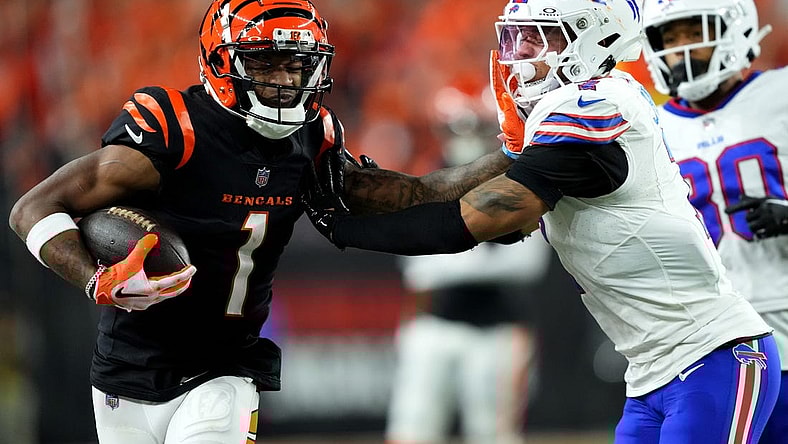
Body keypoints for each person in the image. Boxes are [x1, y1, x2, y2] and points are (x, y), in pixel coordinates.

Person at [7, 1, 516, 442]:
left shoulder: (313, 138)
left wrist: (518, 156)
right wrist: (95, 279)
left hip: (223, 367)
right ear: (219, 61)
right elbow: (32, 209)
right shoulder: (175, 127)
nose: (284, 81)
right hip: (125, 366)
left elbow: (415, 192)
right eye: (265, 63)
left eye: (296, 65)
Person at [303, 0, 782, 442]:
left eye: (540, 37)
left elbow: (469, 219)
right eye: (517, 37)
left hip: (712, 353)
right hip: (651, 372)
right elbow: (438, 188)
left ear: (594, 38)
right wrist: (340, 182)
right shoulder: (563, 120)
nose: (520, 54)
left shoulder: (598, 105)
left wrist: (346, 230)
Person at [641, 0, 788, 442]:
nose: (682, 49)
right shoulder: (648, 125)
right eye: (670, 38)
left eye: (694, 32)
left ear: (734, 28)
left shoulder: (780, 93)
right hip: (711, 337)